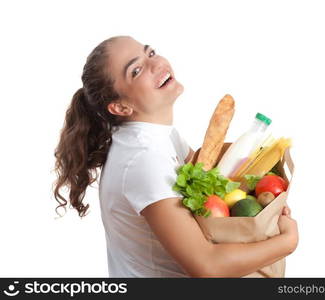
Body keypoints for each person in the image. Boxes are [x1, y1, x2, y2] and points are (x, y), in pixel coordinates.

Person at [53, 35, 298, 277]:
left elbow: (210, 191)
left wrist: (264, 208)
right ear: (120, 107)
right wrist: (287, 241)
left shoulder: (159, 136)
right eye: (136, 71)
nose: (156, 64)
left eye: (150, 52)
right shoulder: (144, 159)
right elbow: (207, 267)